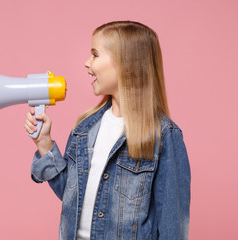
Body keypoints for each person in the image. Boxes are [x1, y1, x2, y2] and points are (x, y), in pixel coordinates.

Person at [24, 20, 191, 240]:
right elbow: (71, 196)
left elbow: (172, 227)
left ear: (125, 63)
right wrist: (44, 143)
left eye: (95, 55)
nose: (86, 63)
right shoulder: (84, 129)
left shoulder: (163, 136)